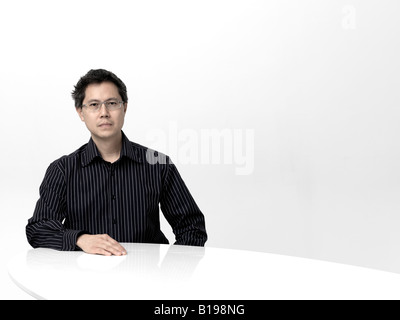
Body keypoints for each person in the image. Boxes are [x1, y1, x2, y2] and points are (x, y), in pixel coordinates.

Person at [26, 69, 207, 256]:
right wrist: (81, 239)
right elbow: (38, 229)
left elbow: (192, 227)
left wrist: (172, 273)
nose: (104, 113)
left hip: (147, 278)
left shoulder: (158, 164)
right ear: (81, 112)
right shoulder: (63, 169)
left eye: (112, 103)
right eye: (94, 105)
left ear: (124, 107)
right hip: (83, 279)